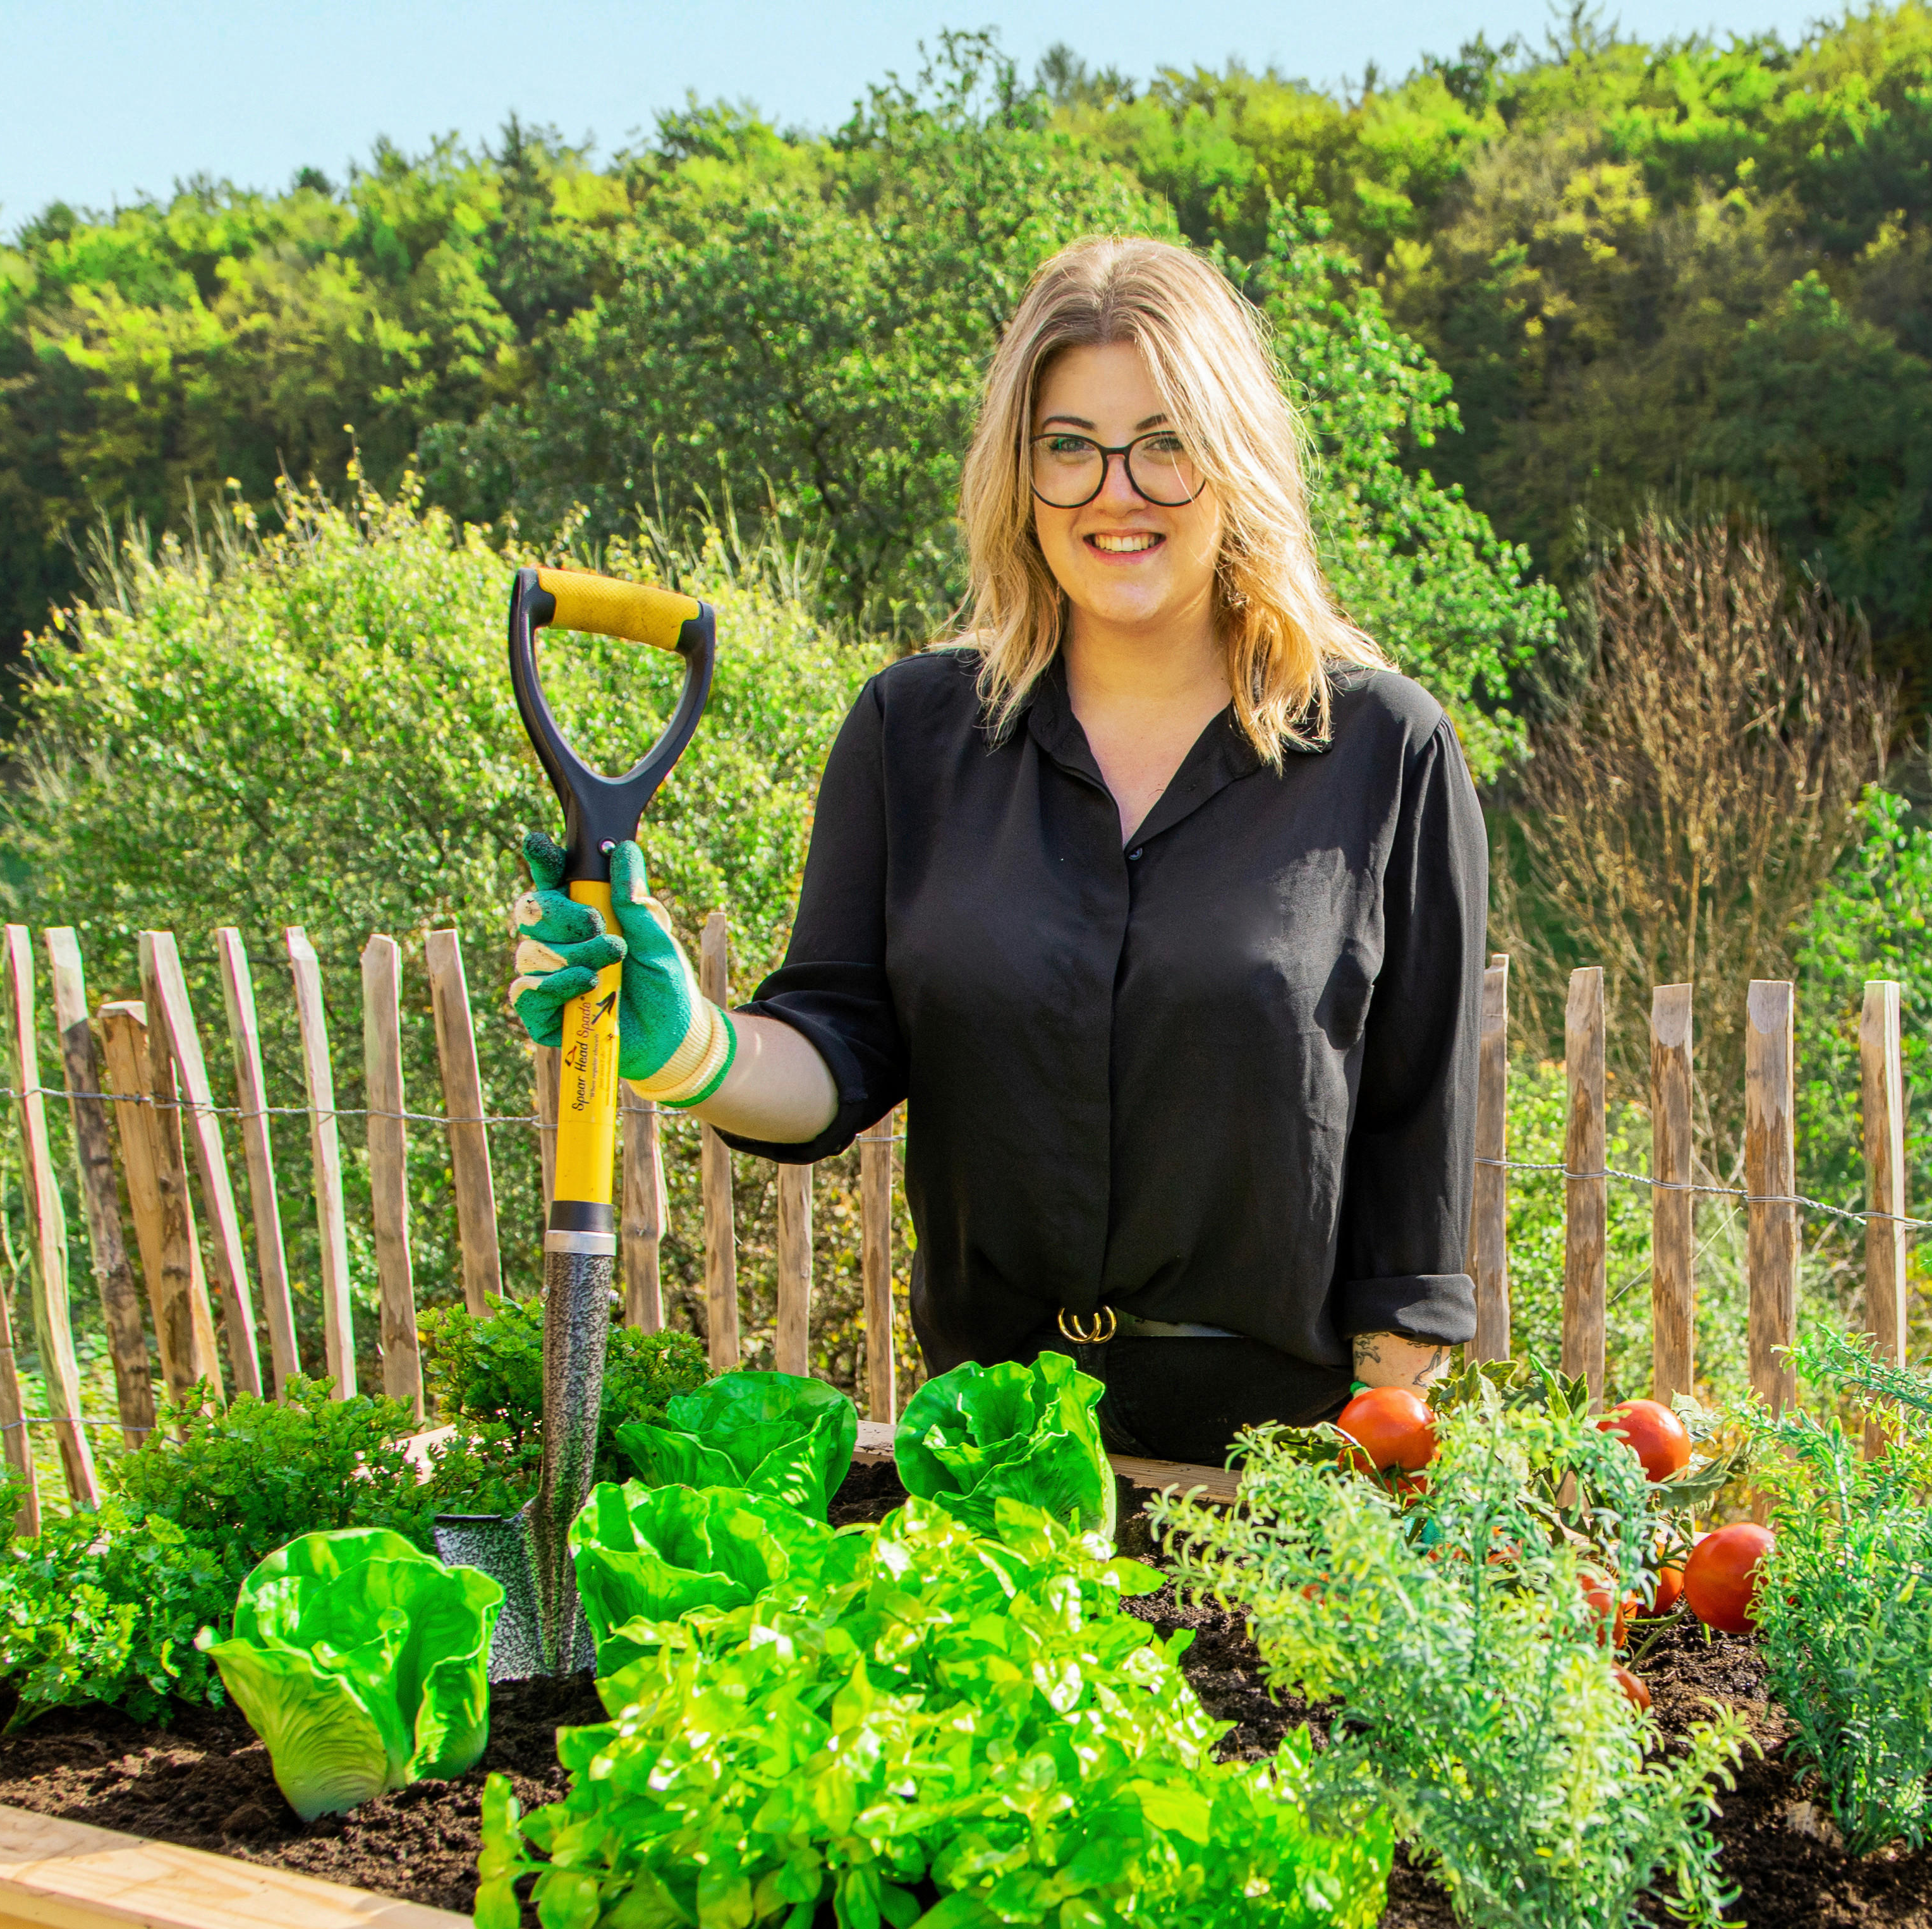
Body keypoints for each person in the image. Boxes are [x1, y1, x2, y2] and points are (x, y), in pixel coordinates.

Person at [507, 235, 1483, 1465]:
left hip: (1273, 1478)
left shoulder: (1380, 750)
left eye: (1163, 442)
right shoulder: (911, 735)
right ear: (1016, 476)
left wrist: (1355, 1493)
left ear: (1234, 458)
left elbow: (1412, 1181)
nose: (1111, 491)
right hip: (992, 1452)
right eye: (1066, 446)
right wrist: (685, 1043)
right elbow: (835, 1058)